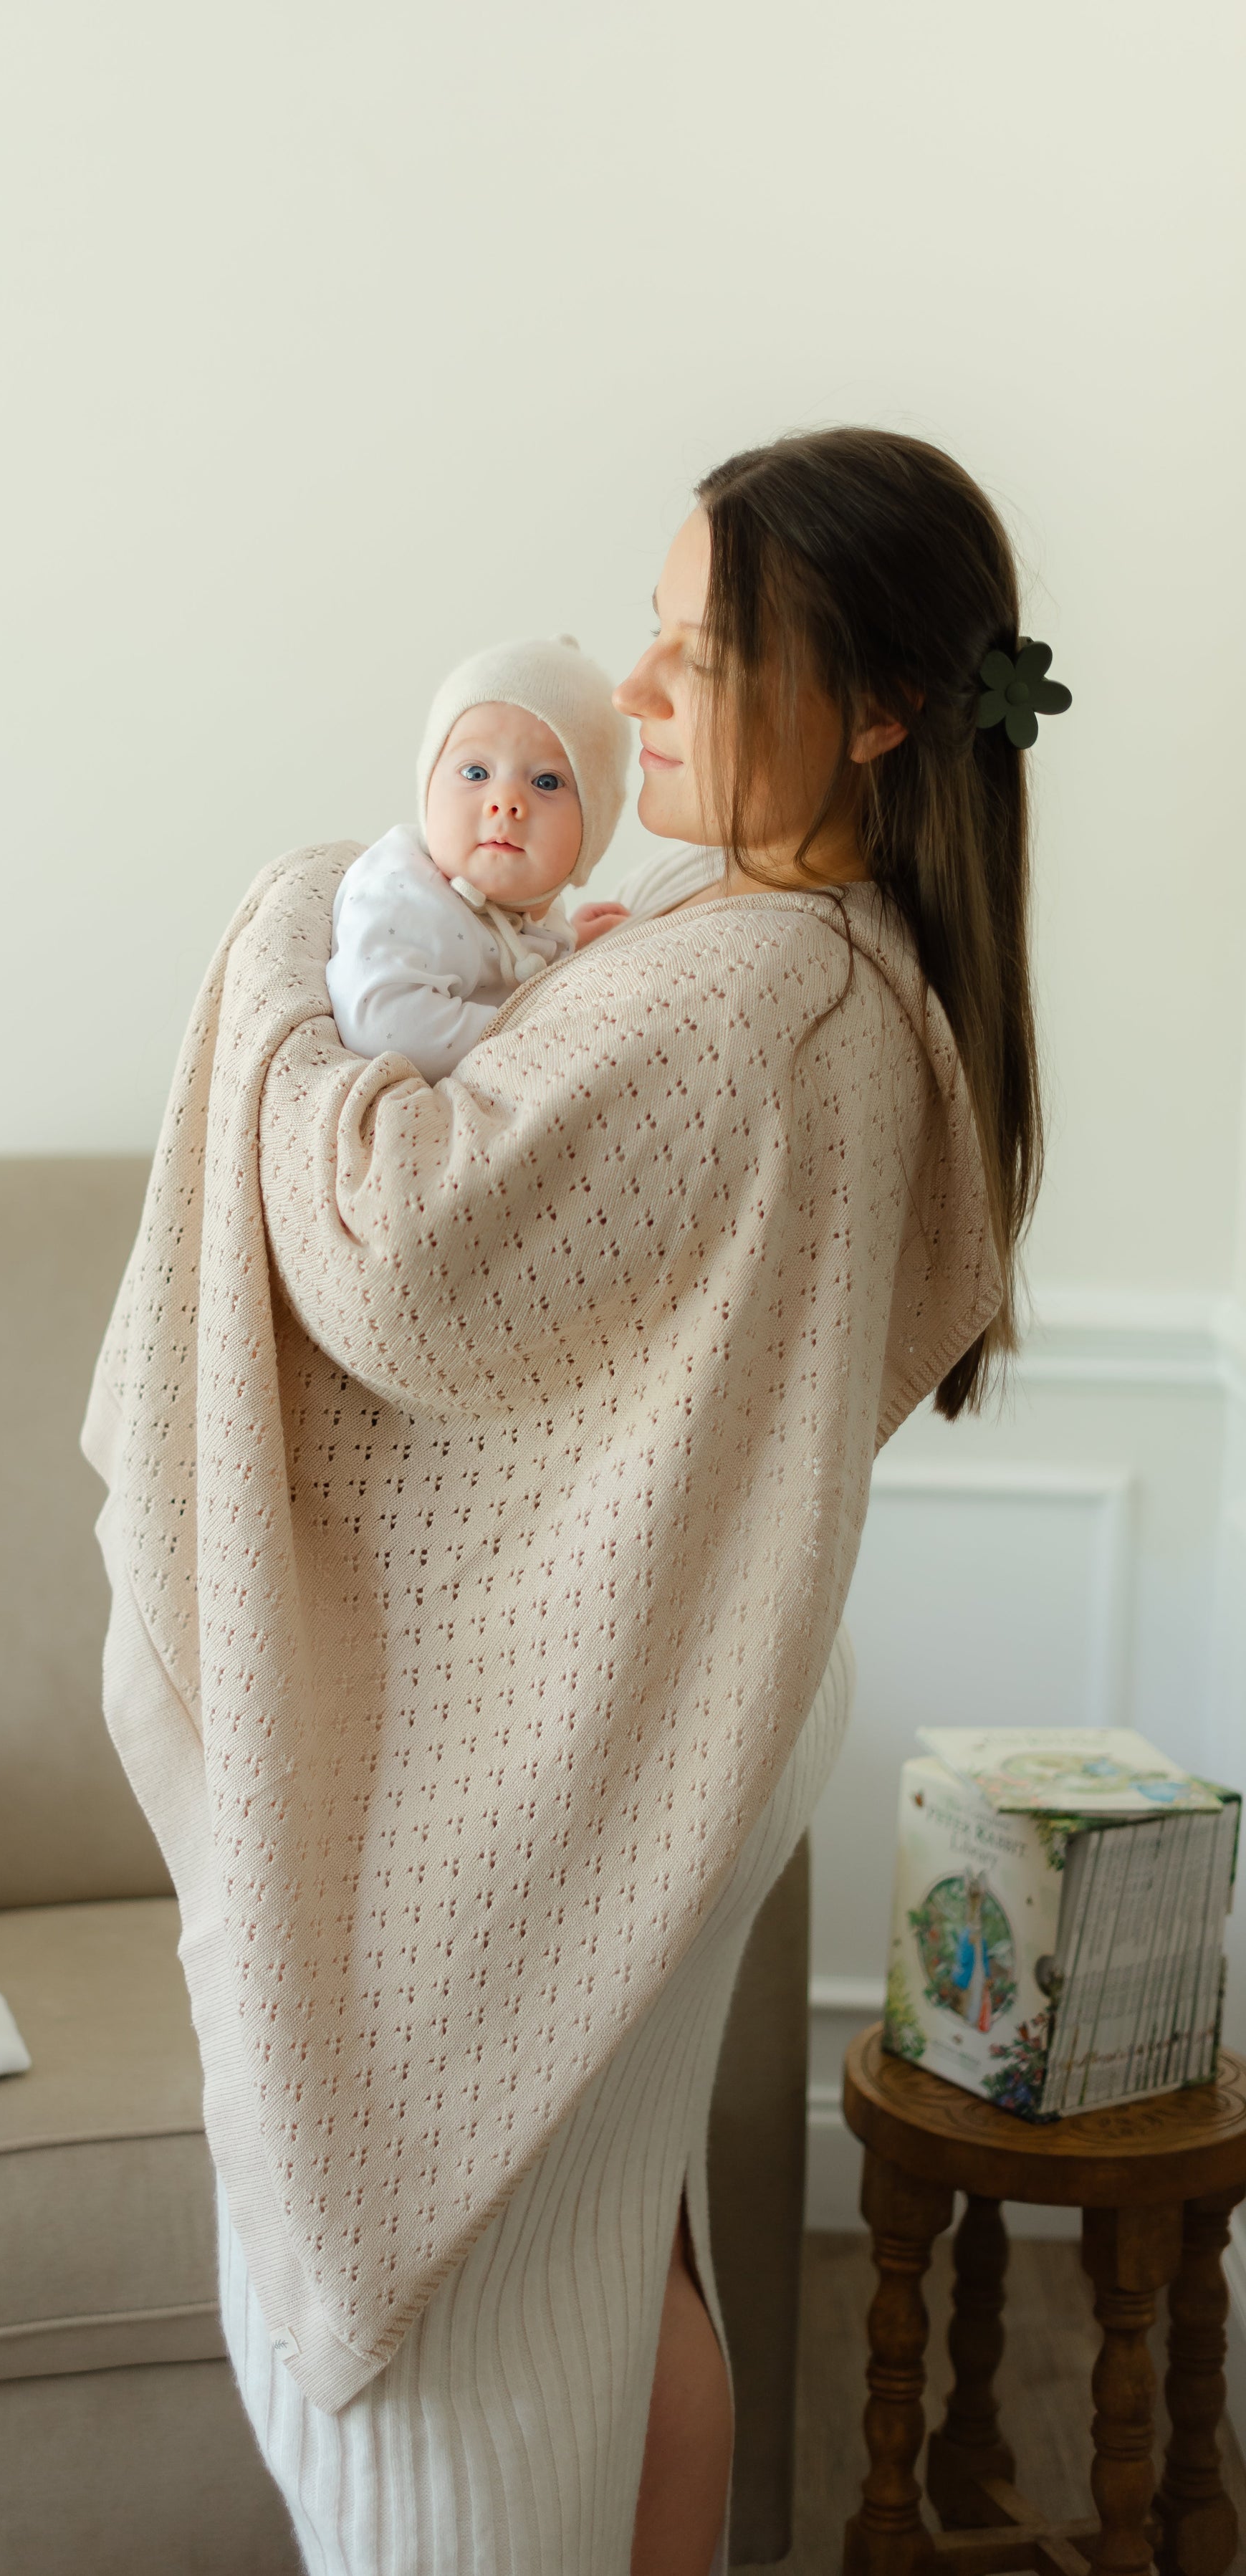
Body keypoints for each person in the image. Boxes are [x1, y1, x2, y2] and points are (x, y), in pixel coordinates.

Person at [85, 426, 1053, 2576]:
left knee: (462, 2340)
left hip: (627, 1727)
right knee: (626, 2258)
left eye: (694, 651)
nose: (630, 691)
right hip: (721, 1699)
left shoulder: (751, 988)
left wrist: (270, 955)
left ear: (876, 708)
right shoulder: (825, 951)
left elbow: (411, 1241)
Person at [325, 636, 633, 1083]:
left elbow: (508, 963)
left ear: (594, 829)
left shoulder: (526, 908)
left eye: (547, 781)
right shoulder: (404, 893)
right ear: (428, 789)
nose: (505, 802)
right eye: (476, 773)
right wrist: (545, 1027)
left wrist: (572, 948)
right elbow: (384, 1026)